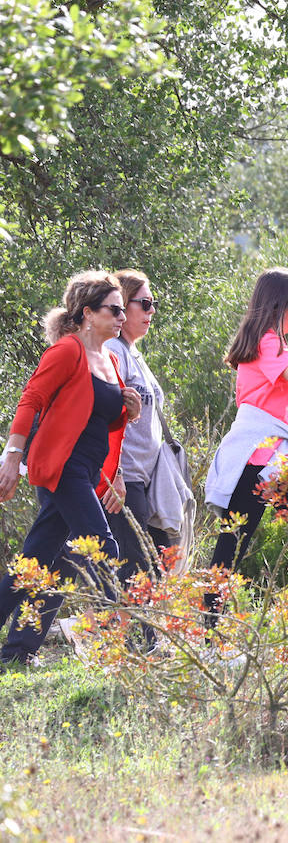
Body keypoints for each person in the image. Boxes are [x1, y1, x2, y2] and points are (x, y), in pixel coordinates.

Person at [0, 271, 142, 664]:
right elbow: (31, 400)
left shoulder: (111, 360)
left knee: (36, 563)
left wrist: (128, 412)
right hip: (63, 468)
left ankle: (15, 653)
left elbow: (101, 421)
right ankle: (117, 649)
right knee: (101, 547)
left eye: (121, 310)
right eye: (114, 309)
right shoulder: (67, 351)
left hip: (88, 471)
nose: (121, 316)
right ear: (87, 314)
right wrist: (12, 457)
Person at [204, 268, 288, 600]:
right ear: (282, 304)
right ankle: (209, 639)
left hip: (278, 463)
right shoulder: (268, 342)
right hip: (256, 462)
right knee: (232, 549)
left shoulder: (274, 345)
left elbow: (279, 412)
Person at [104, 269, 193, 584]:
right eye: (145, 303)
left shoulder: (132, 352)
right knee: (138, 571)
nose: (151, 310)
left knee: (150, 568)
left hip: (144, 479)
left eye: (152, 303)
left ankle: (139, 632)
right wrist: (116, 475)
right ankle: (137, 633)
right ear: (121, 307)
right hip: (123, 479)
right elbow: (104, 419)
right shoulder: (114, 351)